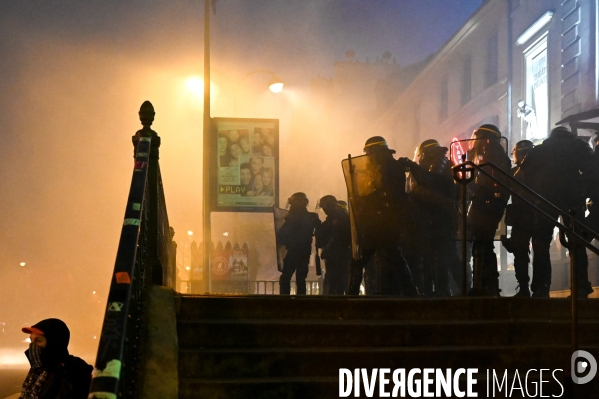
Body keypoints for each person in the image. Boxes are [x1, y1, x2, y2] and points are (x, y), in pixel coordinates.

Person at [519, 126, 599, 297]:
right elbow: (592, 171)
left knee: (541, 243)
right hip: (572, 199)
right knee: (576, 241)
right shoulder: (577, 146)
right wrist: (582, 191)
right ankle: (580, 286)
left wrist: (536, 194)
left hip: (544, 199)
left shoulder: (540, 150)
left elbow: (525, 176)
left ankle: (541, 287)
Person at [347, 136, 419, 297]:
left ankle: (352, 294)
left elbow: (386, 194)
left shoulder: (391, 168)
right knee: (386, 257)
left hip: (384, 221)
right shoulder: (382, 169)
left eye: (369, 153)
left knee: (367, 258)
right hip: (380, 221)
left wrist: (364, 199)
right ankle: (410, 292)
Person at [400, 139, 461, 296]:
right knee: (438, 255)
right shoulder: (434, 163)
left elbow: (431, 181)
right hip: (435, 217)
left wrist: (412, 167)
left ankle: (456, 288)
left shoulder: (439, 161)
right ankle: (441, 289)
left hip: (442, 216)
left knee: (446, 255)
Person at [466, 124, 511, 296]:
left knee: (482, 243)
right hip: (486, 203)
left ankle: (483, 286)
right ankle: (487, 285)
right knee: (483, 243)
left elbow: (488, 182)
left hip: (488, 204)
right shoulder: (488, 154)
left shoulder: (491, 153)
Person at [20, 318, 93, 399]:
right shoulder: (38, 370)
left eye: (38, 340)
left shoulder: (73, 373)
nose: (32, 346)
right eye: (31, 340)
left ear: (54, 342)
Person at [500, 140, 534, 297]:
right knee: (540, 252)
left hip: (521, 217)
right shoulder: (538, 171)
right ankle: (540, 288)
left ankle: (524, 286)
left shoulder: (514, 172)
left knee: (520, 253)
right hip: (536, 215)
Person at [278, 192, 321, 295]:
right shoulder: (312, 217)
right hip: (305, 252)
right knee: (301, 279)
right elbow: (320, 232)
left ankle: (285, 302)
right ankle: (301, 303)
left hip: (293, 251)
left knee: (285, 278)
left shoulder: (291, 218)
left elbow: (282, 236)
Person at [315, 195, 352, 295]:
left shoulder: (340, 218)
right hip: (337, 254)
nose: (325, 210)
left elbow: (337, 235)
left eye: (325, 207)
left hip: (339, 255)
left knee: (336, 282)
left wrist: (327, 249)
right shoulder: (337, 217)